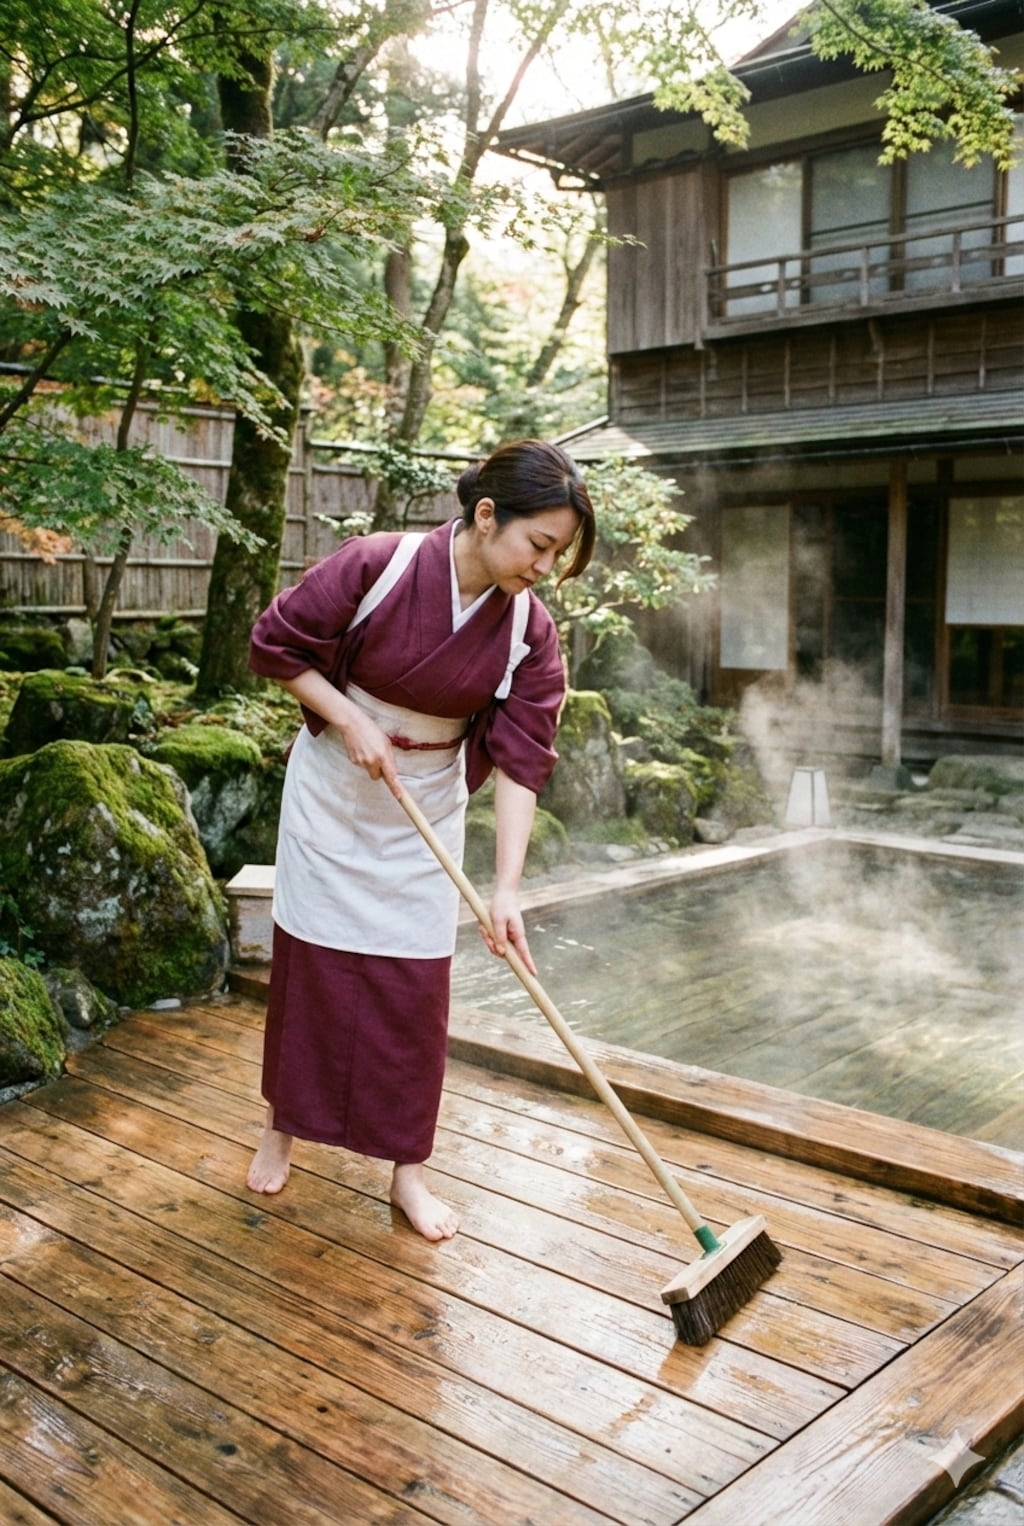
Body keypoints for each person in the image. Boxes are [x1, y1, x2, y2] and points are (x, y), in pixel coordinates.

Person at [244, 438, 596, 1240]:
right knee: (314, 967)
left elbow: (521, 763)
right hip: (336, 785)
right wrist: (349, 716)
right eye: (538, 545)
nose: (543, 567)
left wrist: (506, 889)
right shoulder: (377, 565)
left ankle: (408, 1171)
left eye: (558, 554)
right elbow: (275, 645)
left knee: (413, 988)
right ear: (484, 516)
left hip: (428, 802)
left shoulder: (527, 634)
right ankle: (281, 1128)